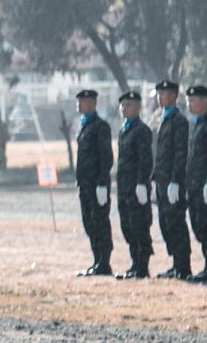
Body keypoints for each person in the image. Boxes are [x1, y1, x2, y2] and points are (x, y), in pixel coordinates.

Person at [150, 79, 191, 279]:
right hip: (161, 180)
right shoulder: (161, 118)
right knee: (165, 223)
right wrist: (153, 178)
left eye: (164, 94)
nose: (160, 97)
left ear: (174, 96)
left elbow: (180, 153)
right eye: (158, 94)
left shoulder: (179, 121)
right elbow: (158, 153)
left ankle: (183, 266)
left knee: (176, 223)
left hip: (173, 182)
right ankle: (176, 263)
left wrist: (176, 180)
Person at [182, 84, 207, 284]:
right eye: (188, 100)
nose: (189, 104)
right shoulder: (195, 124)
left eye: (193, 100)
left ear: (204, 101)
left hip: (205, 185)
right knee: (197, 225)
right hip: (193, 185)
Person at [72, 89, 114, 277]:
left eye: (82, 101)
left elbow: (106, 157)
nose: (78, 105)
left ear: (92, 103)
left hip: (96, 184)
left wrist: (102, 183)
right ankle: (97, 260)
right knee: (89, 222)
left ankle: (104, 263)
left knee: (100, 223)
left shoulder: (100, 127)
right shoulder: (84, 125)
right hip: (85, 184)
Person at [114, 90, 154, 279]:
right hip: (124, 187)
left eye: (128, 105)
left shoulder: (142, 130)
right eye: (122, 105)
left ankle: (142, 266)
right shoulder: (124, 129)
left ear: (138, 107)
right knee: (127, 226)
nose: (124, 108)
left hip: (136, 187)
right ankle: (134, 263)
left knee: (139, 226)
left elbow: (146, 159)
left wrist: (142, 183)